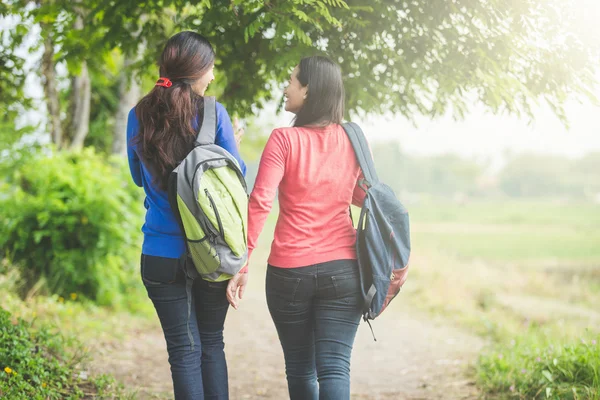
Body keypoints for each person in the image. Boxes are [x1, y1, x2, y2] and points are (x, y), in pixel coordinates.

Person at [227, 56, 366, 400]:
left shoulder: (283, 140)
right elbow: (365, 196)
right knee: (335, 367)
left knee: (301, 367)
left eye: (292, 80)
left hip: (290, 273)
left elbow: (260, 201)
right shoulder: (353, 139)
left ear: (308, 89)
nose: (286, 87)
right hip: (343, 270)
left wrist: (243, 263)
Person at [127, 31, 246, 400]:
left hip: (160, 254)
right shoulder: (214, 113)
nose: (212, 76)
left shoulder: (139, 115)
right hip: (211, 251)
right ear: (198, 71)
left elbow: (136, 178)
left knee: (183, 351)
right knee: (211, 342)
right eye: (210, 69)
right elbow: (236, 184)